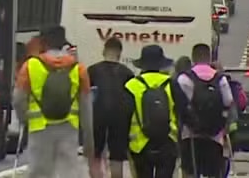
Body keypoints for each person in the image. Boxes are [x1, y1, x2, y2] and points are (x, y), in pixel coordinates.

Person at [13, 26, 93, 178]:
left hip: (39, 128)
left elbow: (18, 99)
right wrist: (89, 140)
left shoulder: (30, 66)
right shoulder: (78, 68)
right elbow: (86, 106)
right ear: (64, 43)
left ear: (44, 42)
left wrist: (25, 119)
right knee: (68, 172)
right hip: (69, 128)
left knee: (39, 172)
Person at [176, 44, 232, 178]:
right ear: (209, 58)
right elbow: (228, 101)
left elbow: (178, 104)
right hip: (214, 137)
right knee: (213, 173)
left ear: (193, 58)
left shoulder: (185, 79)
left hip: (190, 136)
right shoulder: (220, 79)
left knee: (189, 171)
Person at [125, 45, 178, 178]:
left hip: (140, 144)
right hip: (168, 142)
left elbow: (124, 117)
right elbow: (181, 112)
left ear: (142, 65)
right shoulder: (172, 84)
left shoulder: (131, 85)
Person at [88, 38, 135, 178]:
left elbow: (86, 95)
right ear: (120, 53)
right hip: (120, 118)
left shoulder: (92, 70)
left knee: (95, 155)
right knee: (117, 157)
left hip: (96, 116)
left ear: (104, 51)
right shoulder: (128, 73)